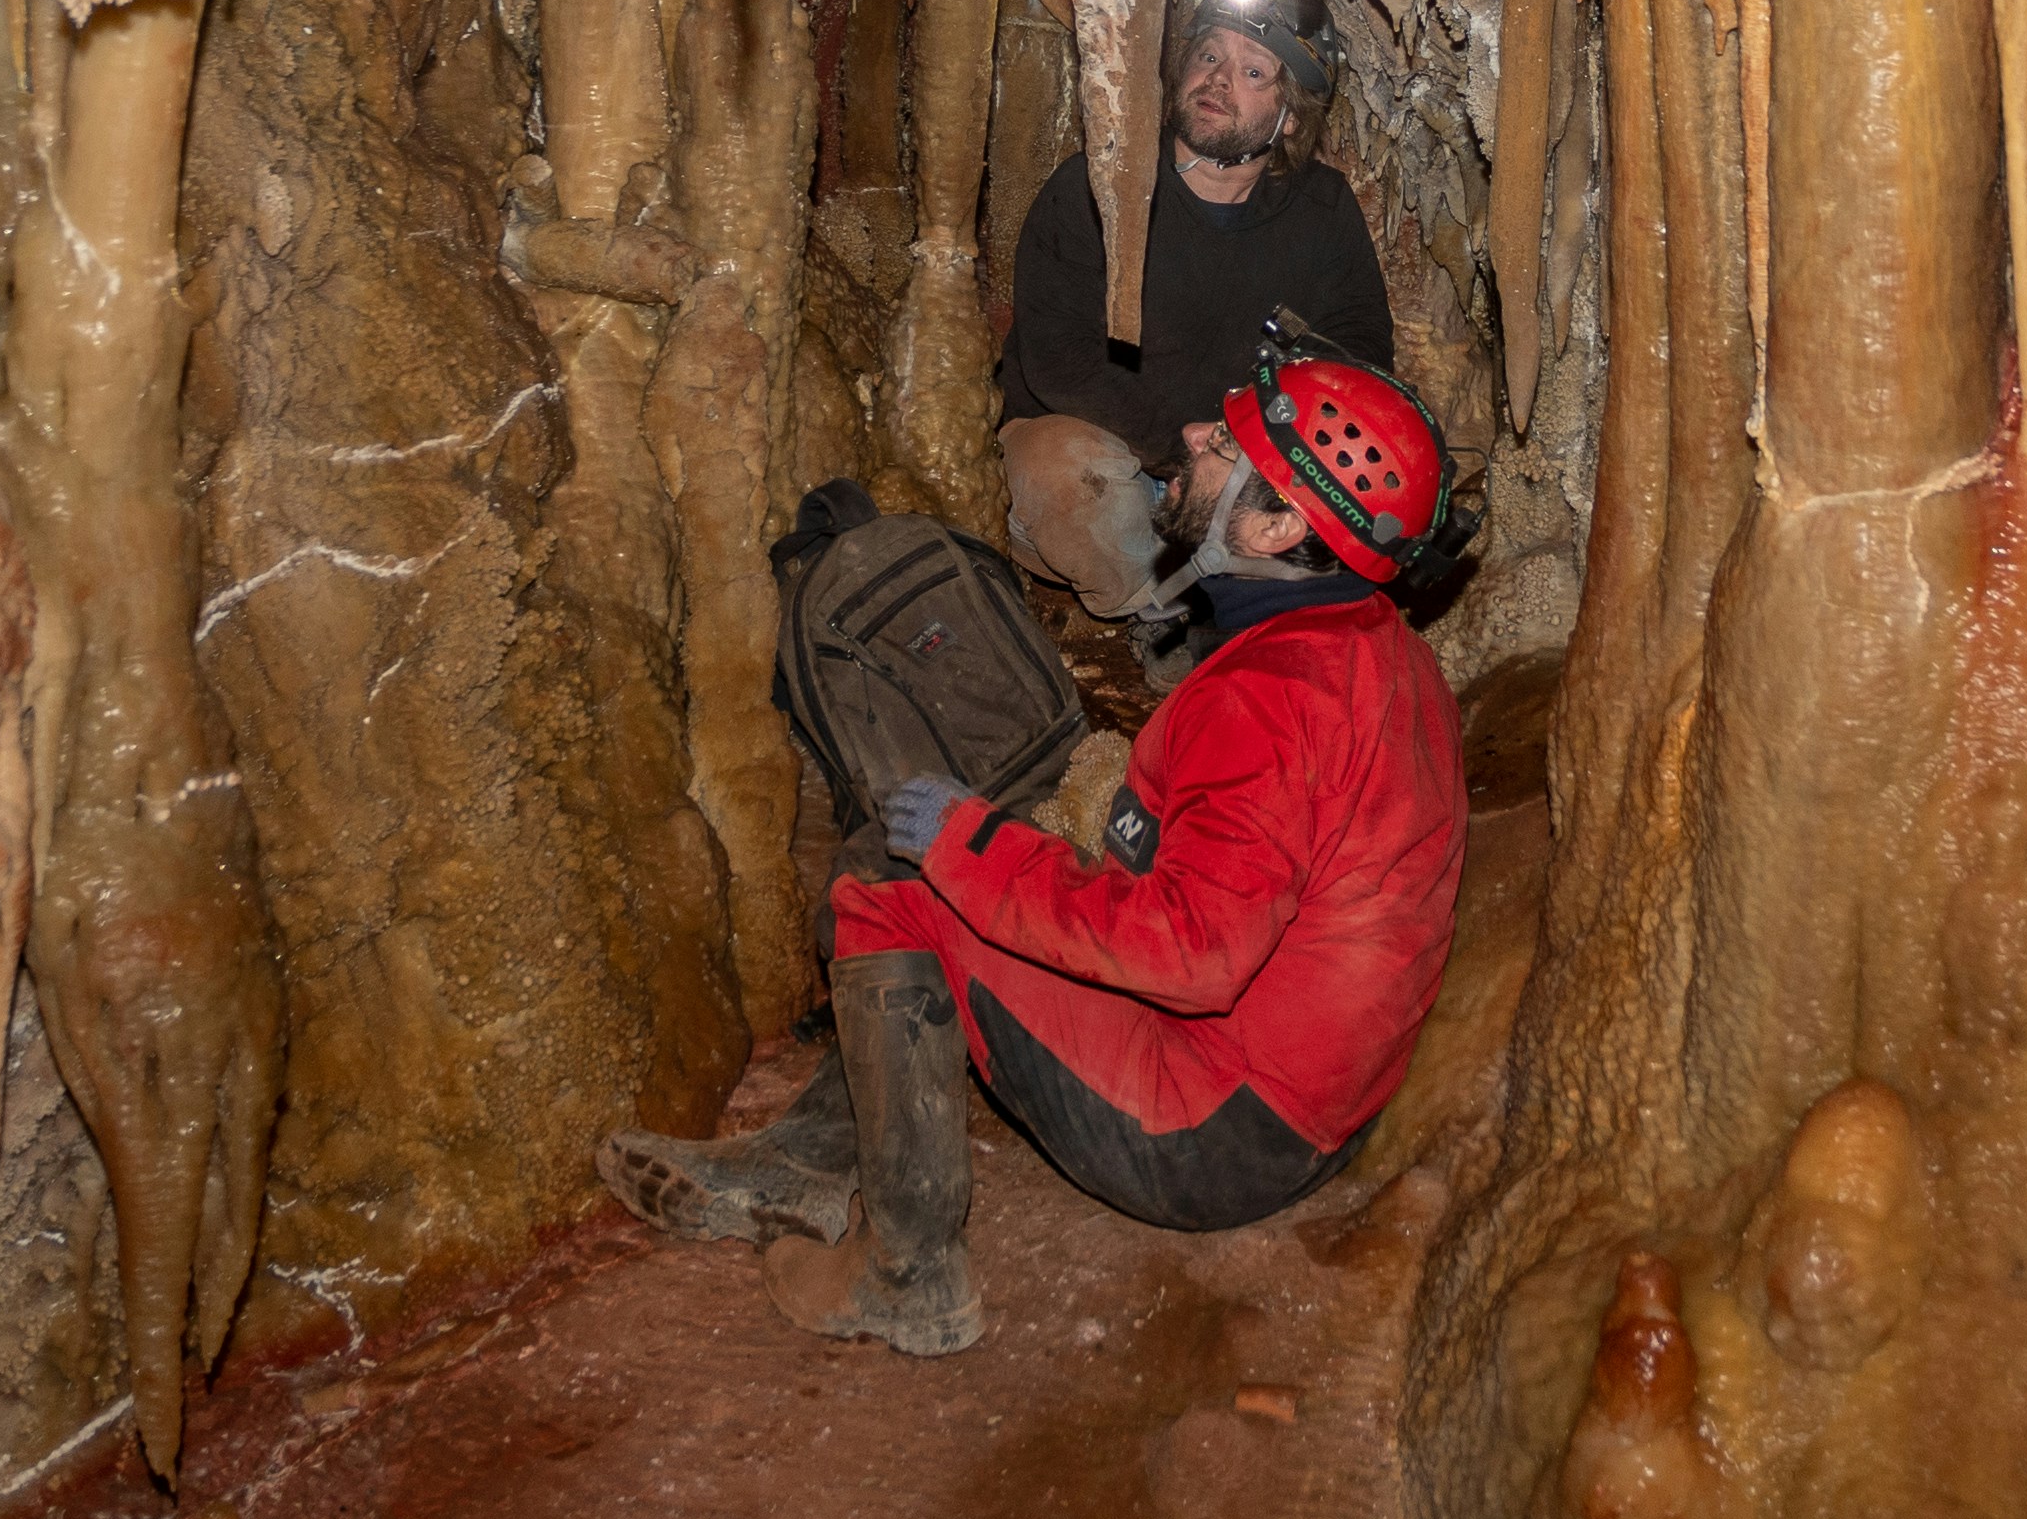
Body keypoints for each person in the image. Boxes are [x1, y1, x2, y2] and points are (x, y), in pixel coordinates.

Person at [599, 328, 1467, 1355]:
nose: (1196, 433)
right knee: (987, 867)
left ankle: (907, 1273)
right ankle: (809, 1157)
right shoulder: (1376, 649)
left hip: (1216, 1129)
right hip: (1317, 1101)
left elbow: (1191, 953)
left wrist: (968, 846)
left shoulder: (1267, 700)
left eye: (1230, 446)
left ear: (1277, 527)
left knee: (893, 883)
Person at [996, 0, 1395, 659]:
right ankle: (1158, 608)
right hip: (1111, 452)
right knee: (1070, 476)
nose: (1217, 79)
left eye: (1252, 72)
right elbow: (1059, 361)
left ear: (1291, 118)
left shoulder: (1323, 212)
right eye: (1209, 56)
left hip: (1234, 461)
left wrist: (1249, 451)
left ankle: (1251, 613)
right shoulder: (1097, 188)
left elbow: (1358, 354)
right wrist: (1184, 449)